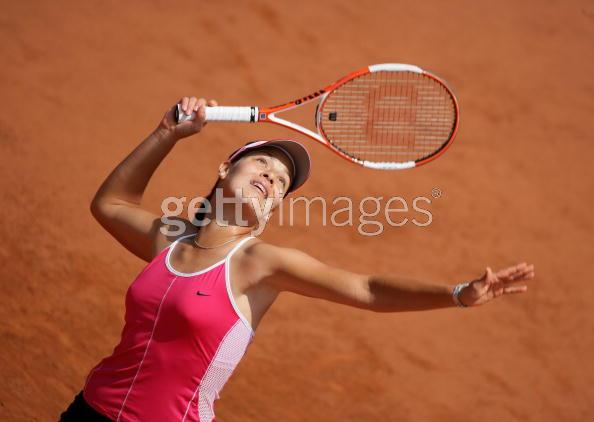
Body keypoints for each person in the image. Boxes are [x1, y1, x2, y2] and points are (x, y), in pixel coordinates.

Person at [59, 97, 535, 422]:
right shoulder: (171, 241)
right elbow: (110, 205)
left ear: (271, 211)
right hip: (88, 409)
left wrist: (457, 295)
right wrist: (167, 133)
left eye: (282, 183)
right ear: (226, 168)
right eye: (262, 163)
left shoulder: (260, 264)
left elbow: (367, 289)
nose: (272, 177)